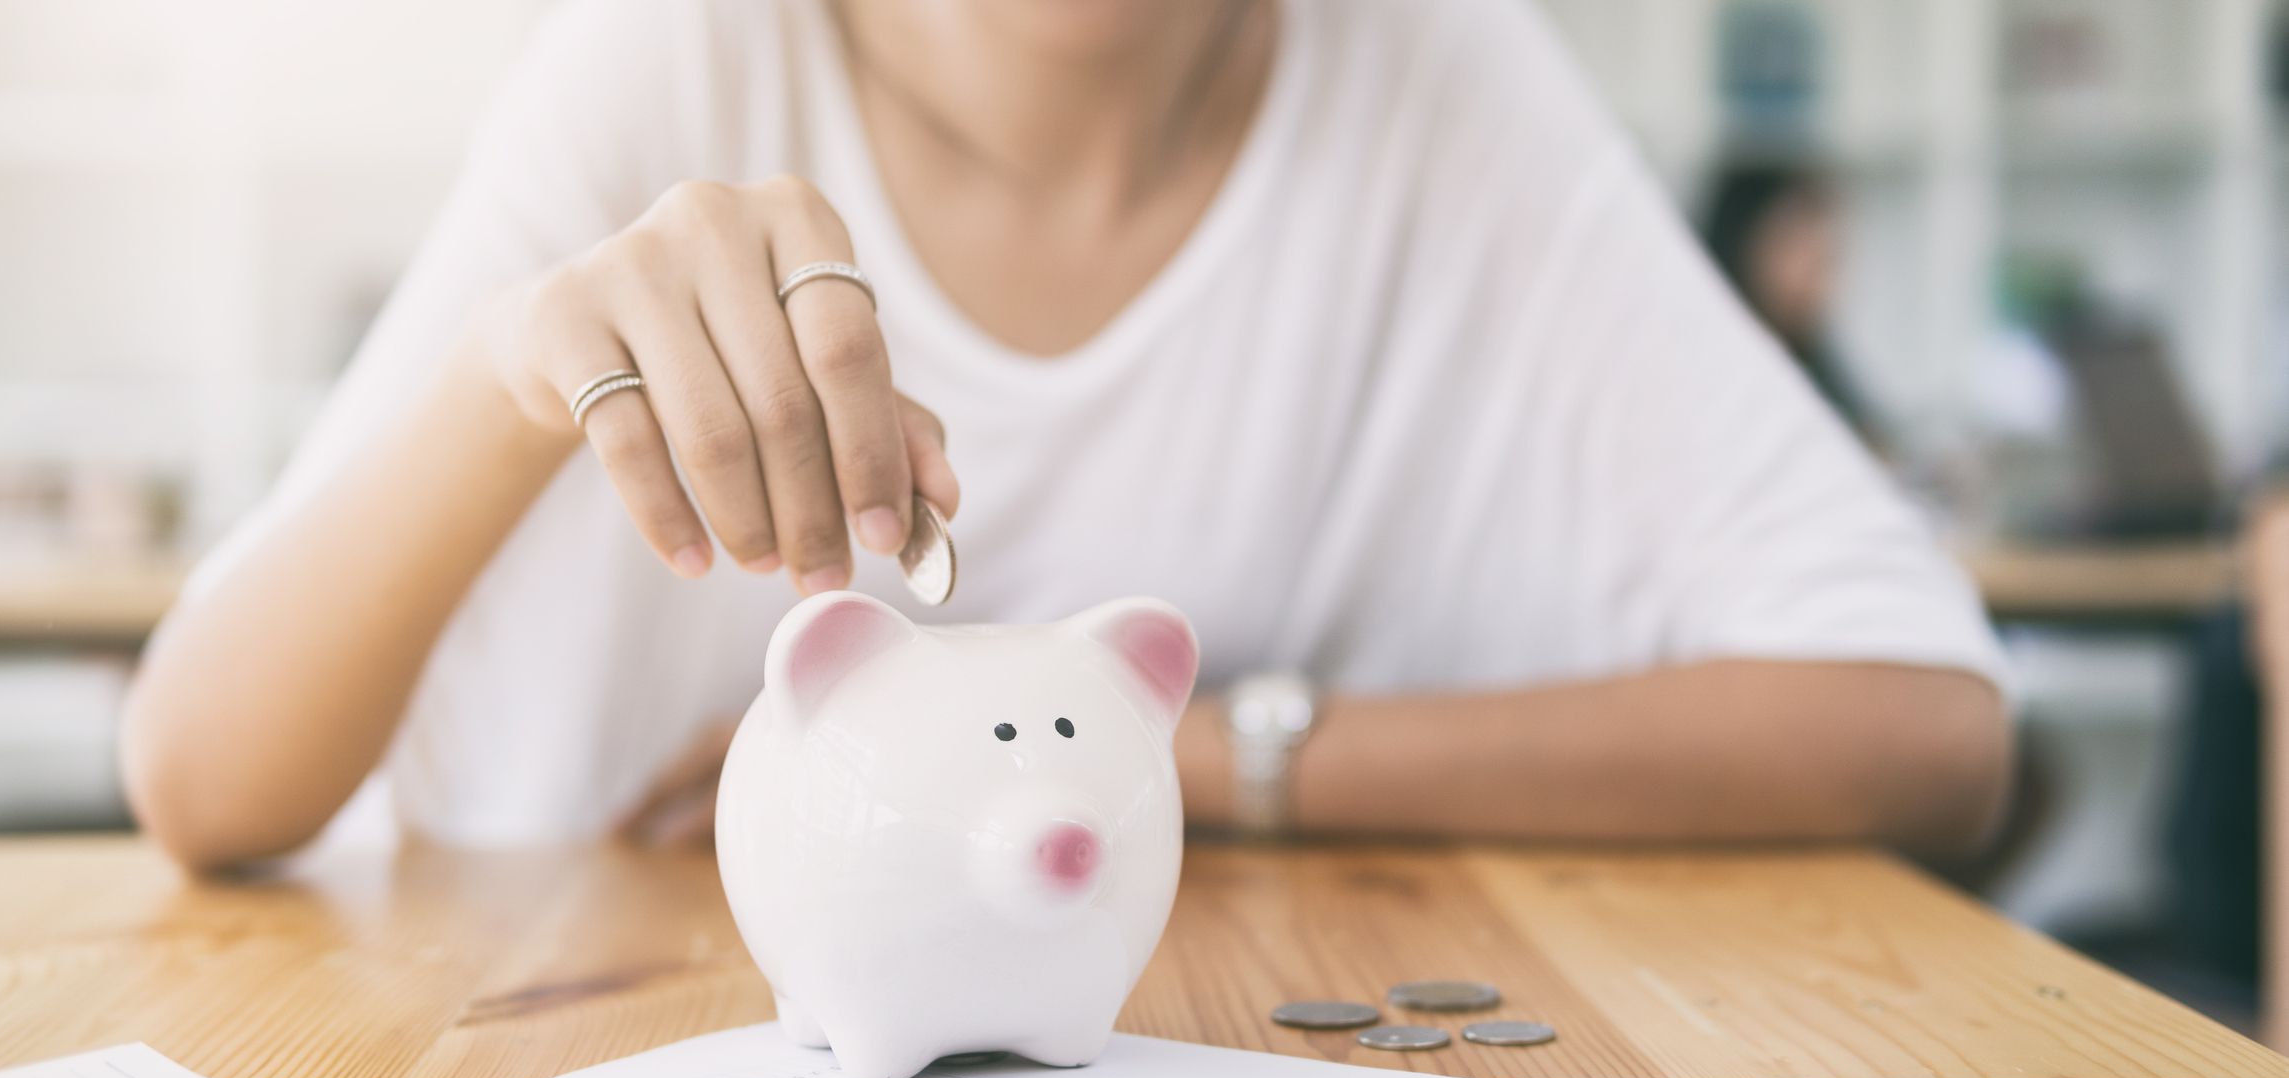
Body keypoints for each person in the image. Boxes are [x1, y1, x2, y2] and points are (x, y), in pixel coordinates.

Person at [122, 0, 2012, 871]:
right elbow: (201, 777)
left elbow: (1922, 719)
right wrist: (501, 381)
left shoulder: (1432, 70)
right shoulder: (675, 58)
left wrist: (1187, 755)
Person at [1700, 159, 1876, 446]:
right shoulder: (1714, 366)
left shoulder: (1818, 361)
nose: (1815, 271)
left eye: (1827, 255)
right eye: (1798, 246)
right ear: (1745, 243)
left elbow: (1870, 438)